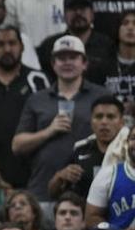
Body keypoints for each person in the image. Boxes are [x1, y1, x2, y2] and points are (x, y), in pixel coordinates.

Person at [13, 35, 106, 202]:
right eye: (61, 58)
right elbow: (17, 145)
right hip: (43, 191)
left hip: (92, 192)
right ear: (53, 64)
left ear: (84, 63)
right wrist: (48, 131)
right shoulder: (37, 99)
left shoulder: (101, 96)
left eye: (73, 57)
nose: (67, 62)